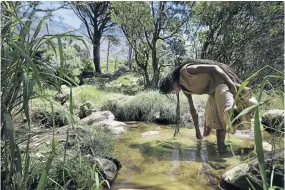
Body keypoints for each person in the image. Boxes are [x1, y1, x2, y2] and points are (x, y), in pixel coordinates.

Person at [158, 59, 257, 148]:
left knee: (226, 114)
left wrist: (230, 83)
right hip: (213, 93)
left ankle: (228, 146)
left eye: (172, 88)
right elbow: (193, 110)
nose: (174, 91)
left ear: (172, 80)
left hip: (224, 85)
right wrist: (197, 131)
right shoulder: (185, 90)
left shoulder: (187, 71)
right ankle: (218, 147)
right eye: (172, 92)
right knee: (213, 120)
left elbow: (214, 68)